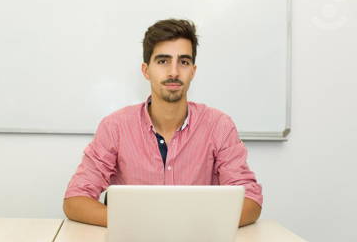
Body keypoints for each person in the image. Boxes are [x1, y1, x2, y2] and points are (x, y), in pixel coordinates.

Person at [63, 19, 262, 227]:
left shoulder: (219, 125)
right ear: (146, 70)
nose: (174, 72)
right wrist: (136, 224)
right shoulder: (115, 127)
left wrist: (193, 226)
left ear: (193, 71)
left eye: (183, 62)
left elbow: (251, 200)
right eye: (163, 61)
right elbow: (75, 199)